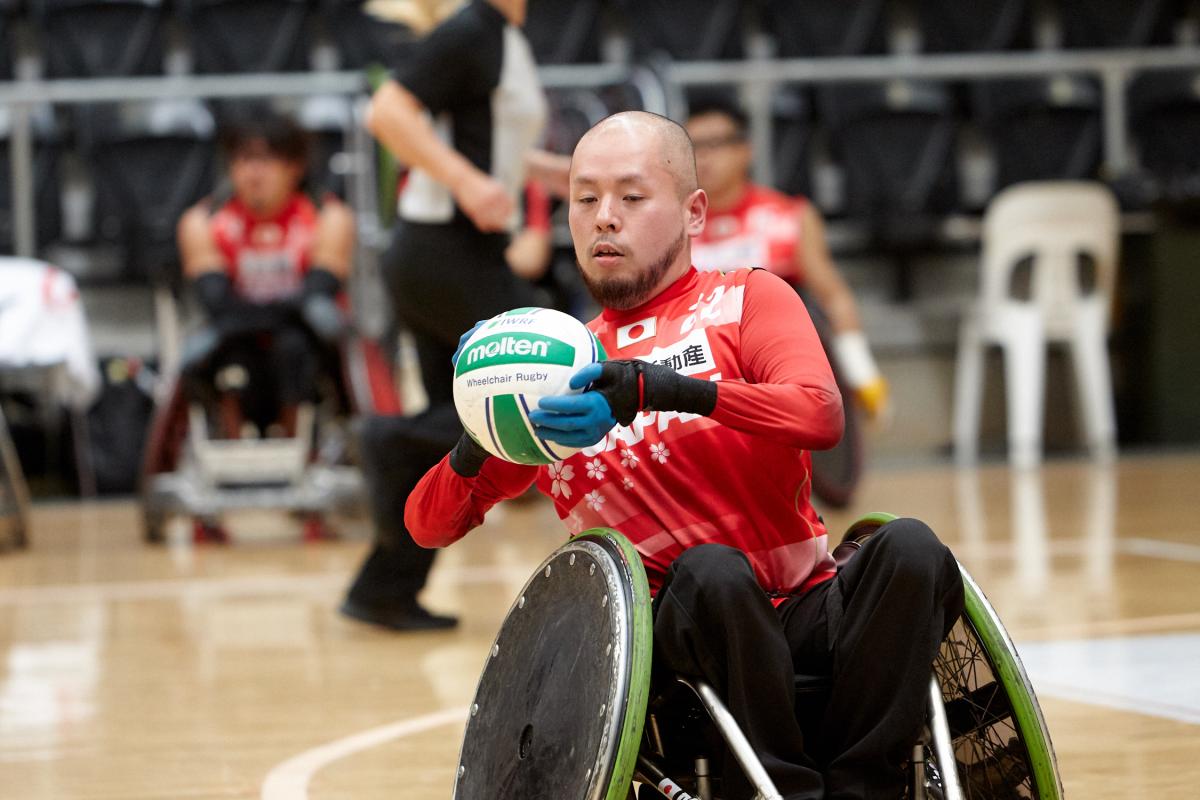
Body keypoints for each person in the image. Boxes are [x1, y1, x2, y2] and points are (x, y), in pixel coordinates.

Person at [406, 112, 965, 799]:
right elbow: (426, 527)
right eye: (585, 199)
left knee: (912, 547)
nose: (604, 217)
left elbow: (818, 415)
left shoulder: (750, 298)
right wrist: (483, 419)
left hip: (804, 607)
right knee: (712, 573)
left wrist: (659, 388)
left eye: (631, 197)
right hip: (671, 653)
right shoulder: (548, 373)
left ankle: (863, 786)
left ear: (693, 212)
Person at [339, 0, 547, 630]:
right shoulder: (473, 28)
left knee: (461, 425)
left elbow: (494, 146)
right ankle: (385, 436)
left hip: (449, 253)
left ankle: (385, 589)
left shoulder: (503, 35)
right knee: (525, 395)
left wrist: (570, 175)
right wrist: (467, 185)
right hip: (445, 251)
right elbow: (387, 111)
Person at [686, 97, 890, 421]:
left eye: (715, 144)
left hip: (778, 364)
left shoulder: (789, 215)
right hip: (695, 365)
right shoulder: (673, 226)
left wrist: (861, 370)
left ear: (745, 150)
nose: (704, 157)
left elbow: (833, 295)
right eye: (694, 146)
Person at [177, 111, 354, 440]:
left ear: (295, 166)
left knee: (305, 336)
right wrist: (281, 310)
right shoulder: (202, 222)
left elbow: (318, 293)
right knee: (214, 352)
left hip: (301, 340)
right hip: (237, 338)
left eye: (268, 159)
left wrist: (262, 313)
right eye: (244, 159)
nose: (254, 173)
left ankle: (304, 437)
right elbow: (216, 302)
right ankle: (231, 443)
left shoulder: (329, 216)